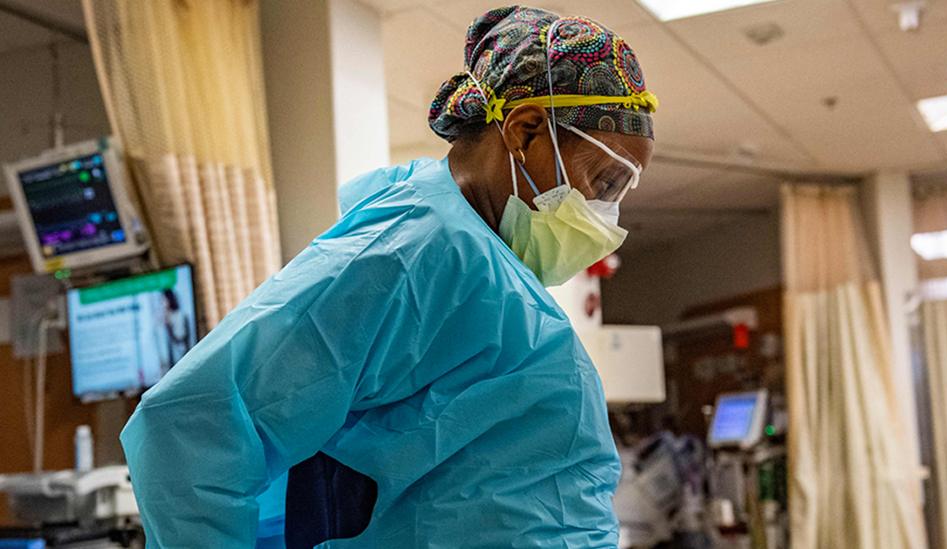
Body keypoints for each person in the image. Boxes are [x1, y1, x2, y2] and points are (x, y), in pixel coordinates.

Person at [120, 6, 656, 548]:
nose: (605, 213)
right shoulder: (413, 252)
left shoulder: (482, 270)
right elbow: (184, 428)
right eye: (605, 181)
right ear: (526, 129)